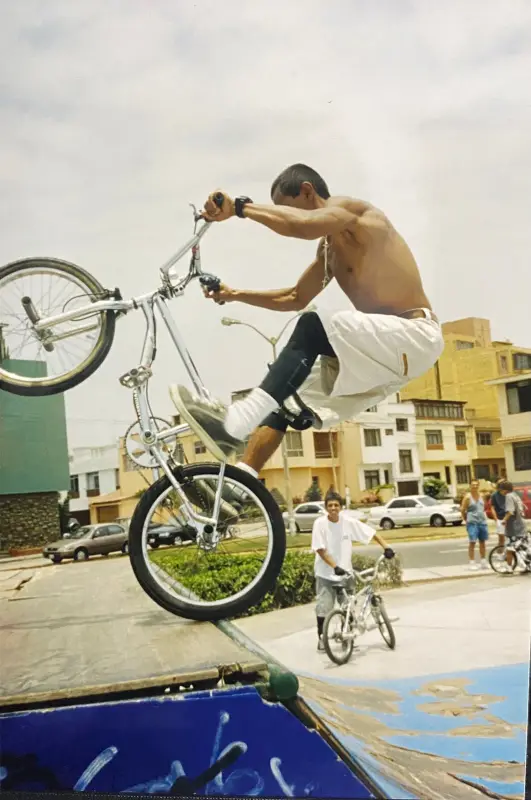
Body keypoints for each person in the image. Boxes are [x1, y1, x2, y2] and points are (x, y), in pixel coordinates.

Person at [170, 164, 444, 475]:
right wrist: (234, 294)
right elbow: (294, 298)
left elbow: (303, 225)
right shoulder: (329, 251)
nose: (283, 219)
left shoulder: (354, 214)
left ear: (307, 191)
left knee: (314, 324)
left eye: (287, 211)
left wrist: (239, 208)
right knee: (283, 400)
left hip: (415, 334)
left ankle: (238, 420)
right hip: (382, 357)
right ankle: (242, 482)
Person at [311, 492, 395, 651]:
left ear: (341, 507)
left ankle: (347, 637)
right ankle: (322, 638)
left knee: (347, 608)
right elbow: (320, 549)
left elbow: (371, 533)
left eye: (336, 505)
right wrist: (334, 566)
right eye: (330, 506)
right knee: (324, 608)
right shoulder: (320, 524)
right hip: (325, 574)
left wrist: (387, 547)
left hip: (346, 574)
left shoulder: (348, 522)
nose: (333, 508)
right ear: (326, 508)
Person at [497, 481, 530, 568]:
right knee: (523, 547)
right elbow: (524, 507)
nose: (500, 492)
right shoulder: (515, 495)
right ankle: (527, 566)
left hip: (514, 527)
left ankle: (509, 568)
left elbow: (510, 512)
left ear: (505, 490)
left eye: (501, 490)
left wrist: (503, 521)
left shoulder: (508, 496)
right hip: (522, 525)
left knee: (509, 548)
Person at [461, 480, 489, 571]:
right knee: (472, 542)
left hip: (482, 522)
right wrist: (466, 520)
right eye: (473, 485)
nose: (475, 486)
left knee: (482, 542)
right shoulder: (467, 498)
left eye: (477, 485)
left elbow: (483, 508)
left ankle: (483, 561)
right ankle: (472, 562)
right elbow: (463, 510)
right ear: (470, 486)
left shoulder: (482, 496)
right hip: (472, 522)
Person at [489, 481, 506, 547]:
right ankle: (500, 555)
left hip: (509, 518)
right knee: (501, 539)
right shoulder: (494, 495)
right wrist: (496, 519)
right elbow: (492, 507)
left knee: (511, 539)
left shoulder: (508, 493)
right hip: (500, 518)